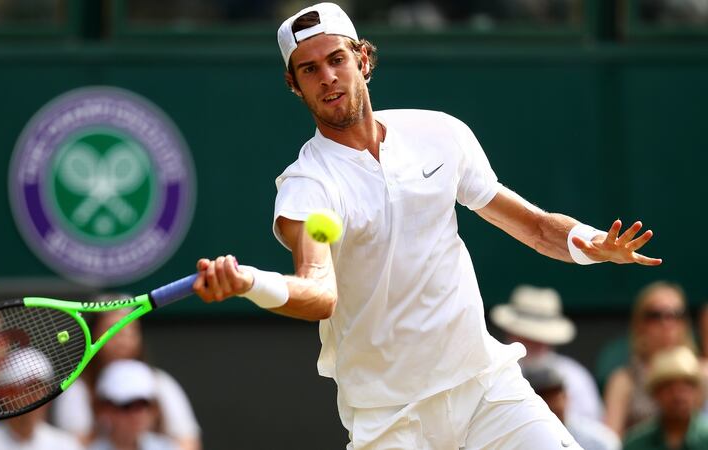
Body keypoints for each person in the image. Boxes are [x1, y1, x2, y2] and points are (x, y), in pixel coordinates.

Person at [191, 3, 662, 448]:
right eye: (309, 69)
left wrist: (590, 241)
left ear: (363, 60)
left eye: (337, 59)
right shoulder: (312, 187)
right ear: (294, 84)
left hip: (484, 388)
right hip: (390, 417)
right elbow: (319, 292)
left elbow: (536, 228)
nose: (328, 77)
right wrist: (249, 282)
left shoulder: (439, 135)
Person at [51, 305, 201, 450]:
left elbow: (189, 442)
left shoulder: (162, 382)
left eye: (143, 405)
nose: (135, 415)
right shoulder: (78, 390)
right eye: (124, 406)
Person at [491, 284, 603, 421]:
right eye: (526, 336)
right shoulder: (493, 375)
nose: (535, 343)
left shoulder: (575, 378)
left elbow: (589, 428)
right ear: (511, 333)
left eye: (539, 339)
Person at [604, 282, 695, 437]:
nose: (667, 322)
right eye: (656, 315)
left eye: (676, 314)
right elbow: (609, 440)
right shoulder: (624, 381)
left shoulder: (703, 373)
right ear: (640, 324)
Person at [0, 348, 83, 450]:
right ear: (5, 394)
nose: (39, 397)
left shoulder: (67, 445)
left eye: (42, 388)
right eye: (29, 389)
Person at [623, 346, 708, 450]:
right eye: (669, 388)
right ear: (655, 394)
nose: (678, 396)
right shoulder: (636, 444)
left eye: (685, 387)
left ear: (697, 392)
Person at [522, 362, 620, 450]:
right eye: (544, 396)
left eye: (555, 395)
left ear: (565, 397)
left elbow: (609, 443)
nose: (551, 403)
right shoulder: (518, 438)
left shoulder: (597, 441)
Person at [89, 360, 177, 450]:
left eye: (144, 404)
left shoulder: (166, 447)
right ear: (105, 409)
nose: (137, 414)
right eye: (126, 406)